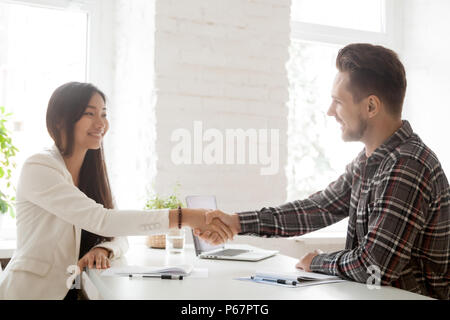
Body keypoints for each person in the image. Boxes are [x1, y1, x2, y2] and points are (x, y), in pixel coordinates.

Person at [196, 43, 450, 300]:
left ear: (371, 107)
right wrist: (236, 222)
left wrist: (317, 261)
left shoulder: (407, 165)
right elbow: (319, 208)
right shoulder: (370, 162)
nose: (330, 112)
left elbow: (374, 267)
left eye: (338, 101)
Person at [0, 82, 233, 300]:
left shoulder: (93, 175)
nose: (100, 123)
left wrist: (104, 248)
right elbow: (102, 220)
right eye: (90, 114)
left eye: (104, 114)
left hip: (74, 291)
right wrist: (188, 217)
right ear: (61, 120)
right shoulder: (39, 167)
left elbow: (119, 236)